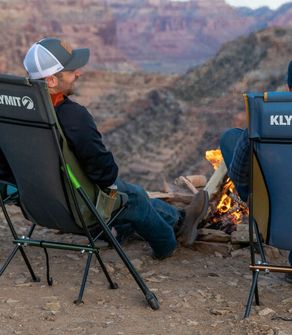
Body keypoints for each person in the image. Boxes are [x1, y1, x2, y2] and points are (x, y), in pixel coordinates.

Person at [0, 37, 209, 260]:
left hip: (38, 206)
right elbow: (105, 173)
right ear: (51, 80)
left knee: (127, 191)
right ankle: (168, 242)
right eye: (71, 71)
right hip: (78, 208)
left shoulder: (11, 115)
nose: (78, 73)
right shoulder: (73, 116)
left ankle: (179, 219)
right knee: (134, 195)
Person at [220, 61, 292, 279]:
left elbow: (241, 175)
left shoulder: (263, 120)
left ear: (289, 87)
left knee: (231, 138)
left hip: (275, 220)